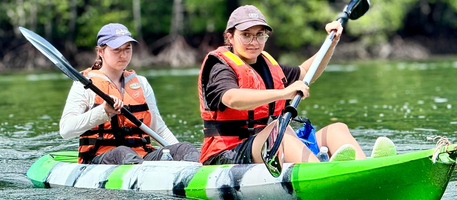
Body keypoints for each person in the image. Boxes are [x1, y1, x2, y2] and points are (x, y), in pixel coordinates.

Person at [198, 5, 396, 165]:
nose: (254, 41)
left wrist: (332, 42)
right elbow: (232, 98)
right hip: (227, 152)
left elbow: (305, 72)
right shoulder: (219, 66)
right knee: (280, 133)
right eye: (246, 35)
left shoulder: (266, 64)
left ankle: (365, 170)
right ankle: (325, 175)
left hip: (265, 144)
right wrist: (282, 93)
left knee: (336, 129)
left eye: (260, 35)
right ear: (230, 36)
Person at [60, 23, 200, 164]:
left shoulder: (141, 83)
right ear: (100, 52)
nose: (124, 55)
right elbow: (66, 130)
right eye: (117, 50)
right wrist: (103, 111)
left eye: (128, 49)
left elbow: (158, 128)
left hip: (142, 156)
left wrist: (175, 152)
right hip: (101, 157)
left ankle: (198, 170)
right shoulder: (84, 85)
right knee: (123, 152)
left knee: (184, 148)